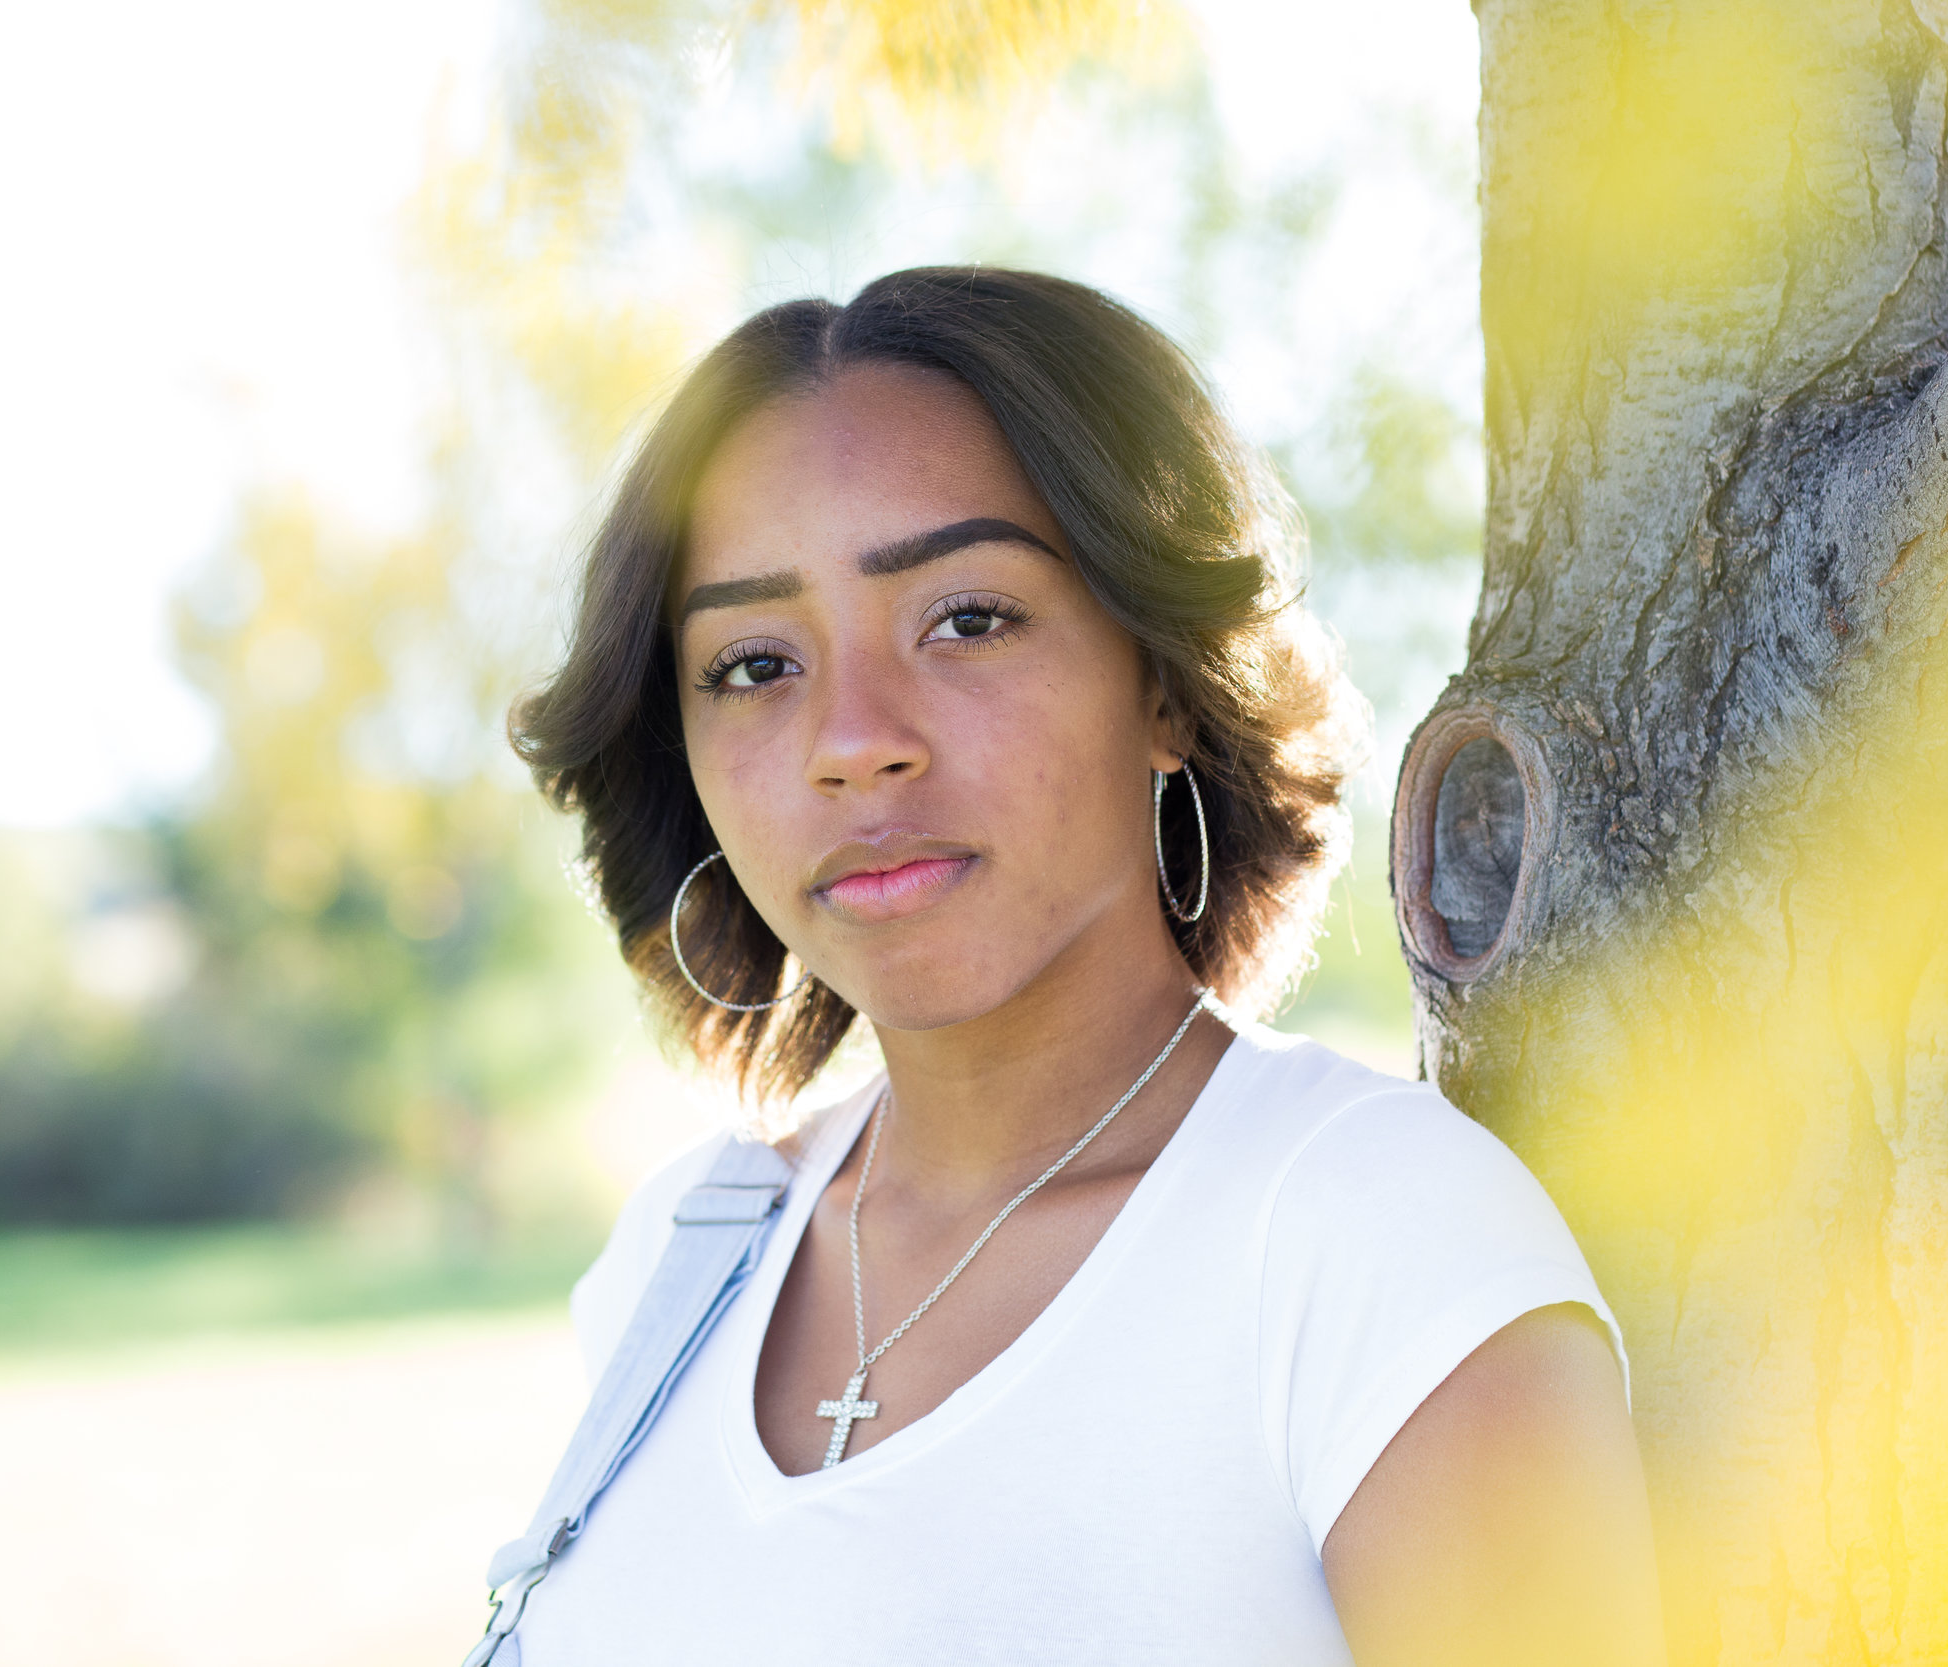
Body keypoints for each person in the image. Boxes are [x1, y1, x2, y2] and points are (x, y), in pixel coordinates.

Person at [500, 266, 1661, 1665]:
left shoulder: (1369, 1237)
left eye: (966, 619)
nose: (854, 738)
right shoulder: (683, 1260)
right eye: (754, 663)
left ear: (1164, 683)